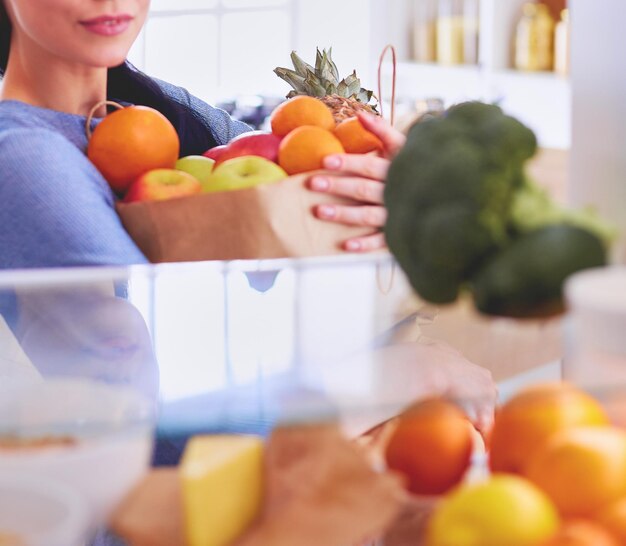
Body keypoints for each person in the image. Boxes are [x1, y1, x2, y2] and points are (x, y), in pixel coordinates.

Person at [0, 0, 405, 270]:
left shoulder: (153, 104)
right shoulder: (25, 156)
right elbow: (138, 380)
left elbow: (277, 178)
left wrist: (385, 186)